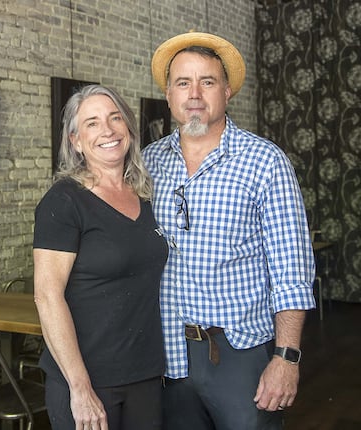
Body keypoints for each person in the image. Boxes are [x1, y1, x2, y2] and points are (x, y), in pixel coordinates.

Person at [142, 32, 316, 430]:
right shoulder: (148, 163)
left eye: (207, 81)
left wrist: (286, 358)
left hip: (240, 354)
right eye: (183, 83)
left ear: (228, 90)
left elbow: (292, 270)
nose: (195, 94)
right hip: (166, 354)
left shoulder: (264, 162)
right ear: (169, 95)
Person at [33, 84, 168, 430]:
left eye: (114, 118)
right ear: (76, 141)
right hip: (87, 379)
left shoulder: (147, 194)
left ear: (128, 129)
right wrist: (79, 387)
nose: (107, 130)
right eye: (92, 123)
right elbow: (47, 296)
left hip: (145, 373)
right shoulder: (63, 202)